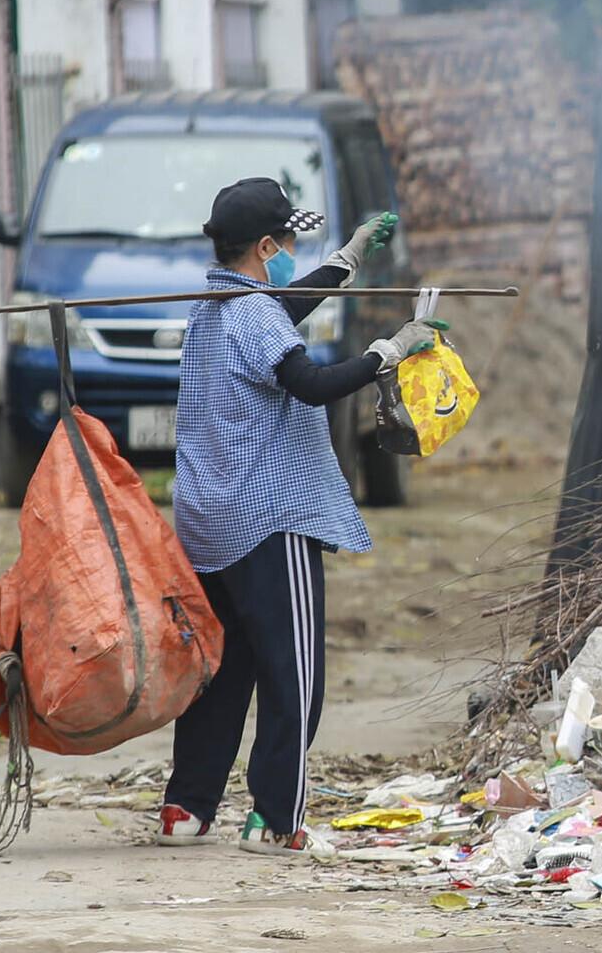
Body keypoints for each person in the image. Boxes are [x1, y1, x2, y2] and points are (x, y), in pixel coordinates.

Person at [156, 176, 441, 856]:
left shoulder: (213, 307)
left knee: (223, 671)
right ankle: (276, 819)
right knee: (294, 675)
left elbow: (284, 306)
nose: (290, 251)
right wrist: (389, 352)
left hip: (209, 522)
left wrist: (349, 257)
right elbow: (308, 385)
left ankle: (185, 809)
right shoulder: (255, 315)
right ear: (264, 247)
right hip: (269, 516)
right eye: (286, 241)